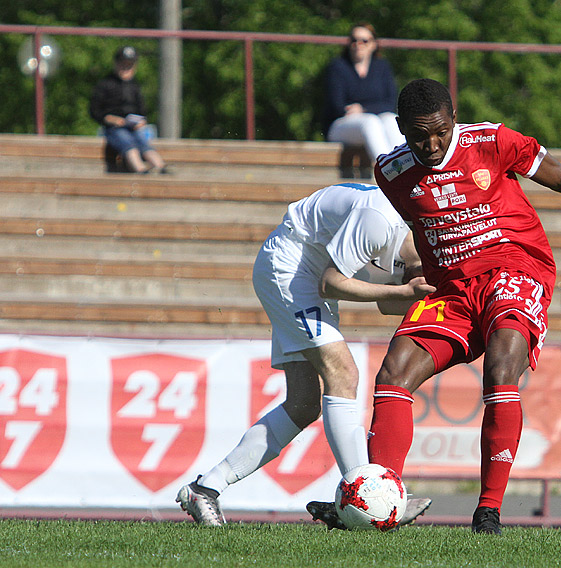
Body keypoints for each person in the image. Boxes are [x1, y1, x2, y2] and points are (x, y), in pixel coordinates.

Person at [367, 78, 561, 534]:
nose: (432, 145)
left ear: (454, 117)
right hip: (451, 289)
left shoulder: (492, 141)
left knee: (501, 366)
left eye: (440, 132)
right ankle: (382, 500)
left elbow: (560, 177)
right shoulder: (391, 173)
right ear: (400, 129)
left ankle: (488, 511)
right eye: (419, 136)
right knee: (392, 373)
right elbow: (422, 227)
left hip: (514, 268)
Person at [176, 183, 436, 527]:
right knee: (344, 374)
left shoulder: (410, 239)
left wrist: (421, 294)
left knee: (303, 404)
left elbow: (386, 303)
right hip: (291, 269)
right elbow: (331, 283)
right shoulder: (380, 219)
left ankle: (204, 488)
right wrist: (407, 289)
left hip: (306, 276)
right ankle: (365, 497)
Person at [322, 22, 405, 178]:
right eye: (354, 40)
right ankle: (392, 174)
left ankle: (407, 167)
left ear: (374, 44)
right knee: (370, 122)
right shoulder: (338, 67)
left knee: (391, 119)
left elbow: (390, 104)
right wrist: (366, 112)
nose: (358, 45)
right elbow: (337, 106)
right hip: (340, 126)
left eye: (364, 41)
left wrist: (363, 109)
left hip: (374, 122)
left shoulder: (382, 67)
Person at [89, 45, 168, 174]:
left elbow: (142, 110)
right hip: (114, 128)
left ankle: (161, 167)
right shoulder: (105, 84)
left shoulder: (135, 86)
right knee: (128, 144)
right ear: (116, 64)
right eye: (123, 64)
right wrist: (109, 118)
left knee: (144, 143)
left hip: (133, 126)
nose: (126, 68)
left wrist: (141, 121)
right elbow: (94, 110)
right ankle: (140, 169)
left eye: (129, 65)